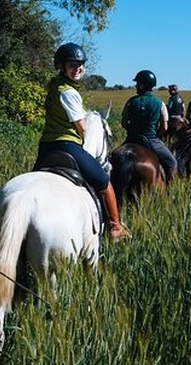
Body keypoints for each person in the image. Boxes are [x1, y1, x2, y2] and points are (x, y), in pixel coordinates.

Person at [37, 42, 130, 241]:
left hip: (46, 147)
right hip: (67, 146)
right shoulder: (69, 92)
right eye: (72, 65)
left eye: (81, 65)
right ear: (62, 67)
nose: (78, 68)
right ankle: (115, 227)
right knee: (105, 182)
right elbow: (82, 127)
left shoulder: (54, 87)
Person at [121, 70, 179, 183]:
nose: (136, 86)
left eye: (137, 83)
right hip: (151, 140)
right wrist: (156, 134)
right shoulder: (160, 103)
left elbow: (124, 122)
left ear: (142, 85)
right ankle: (172, 189)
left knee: (111, 160)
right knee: (172, 163)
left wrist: (132, 131)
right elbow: (164, 127)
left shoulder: (130, 102)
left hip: (131, 139)